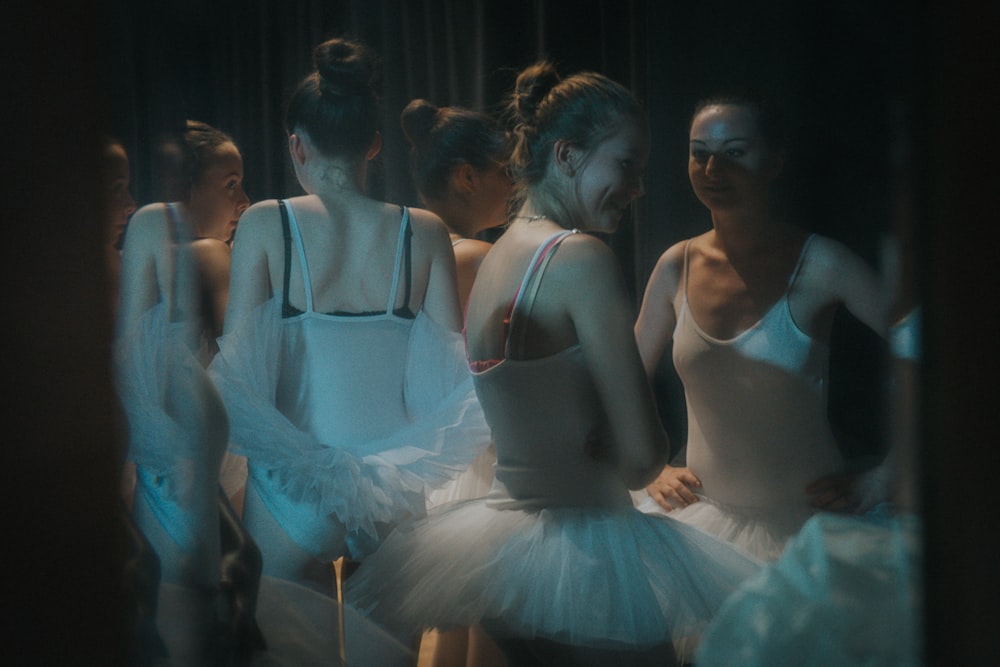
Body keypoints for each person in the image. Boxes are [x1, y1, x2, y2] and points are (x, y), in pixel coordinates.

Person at [345, 61, 761, 667]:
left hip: (504, 554)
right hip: (587, 556)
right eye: (626, 166)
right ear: (567, 156)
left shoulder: (500, 255)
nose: (638, 188)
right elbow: (644, 458)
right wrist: (621, 437)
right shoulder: (579, 259)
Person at [208, 36, 491, 605]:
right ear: (375, 144)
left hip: (293, 487)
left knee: (287, 646)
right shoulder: (427, 230)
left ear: (297, 145)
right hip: (391, 490)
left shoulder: (266, 223)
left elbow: (239, 373)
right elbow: (441, 382)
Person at [632, 92, 889, 561]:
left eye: (735, 152)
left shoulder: (822, 263)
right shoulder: (676, 265)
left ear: (773, 162)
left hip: (810, 533)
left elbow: (931, 344)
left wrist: (891, 473)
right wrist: (648, 470)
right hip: (703, 529)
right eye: (700, 153)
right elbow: (624, 382)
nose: (713, 170)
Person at [114, 119, 252, 665]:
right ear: (187, 188)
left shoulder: (151, 249)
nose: (244, 199)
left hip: (195, 458)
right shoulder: (202, 253)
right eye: (231, 185)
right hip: (197, 462)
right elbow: (248, 358)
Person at [399, 99, 512, 667]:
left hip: (425, 457)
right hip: (485, 455)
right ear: (467, 177)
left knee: (447, 625)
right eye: (506, 172)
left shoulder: (400, 251)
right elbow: (505, 369)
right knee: (489, 618)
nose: (515, 186)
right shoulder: (479, 258)